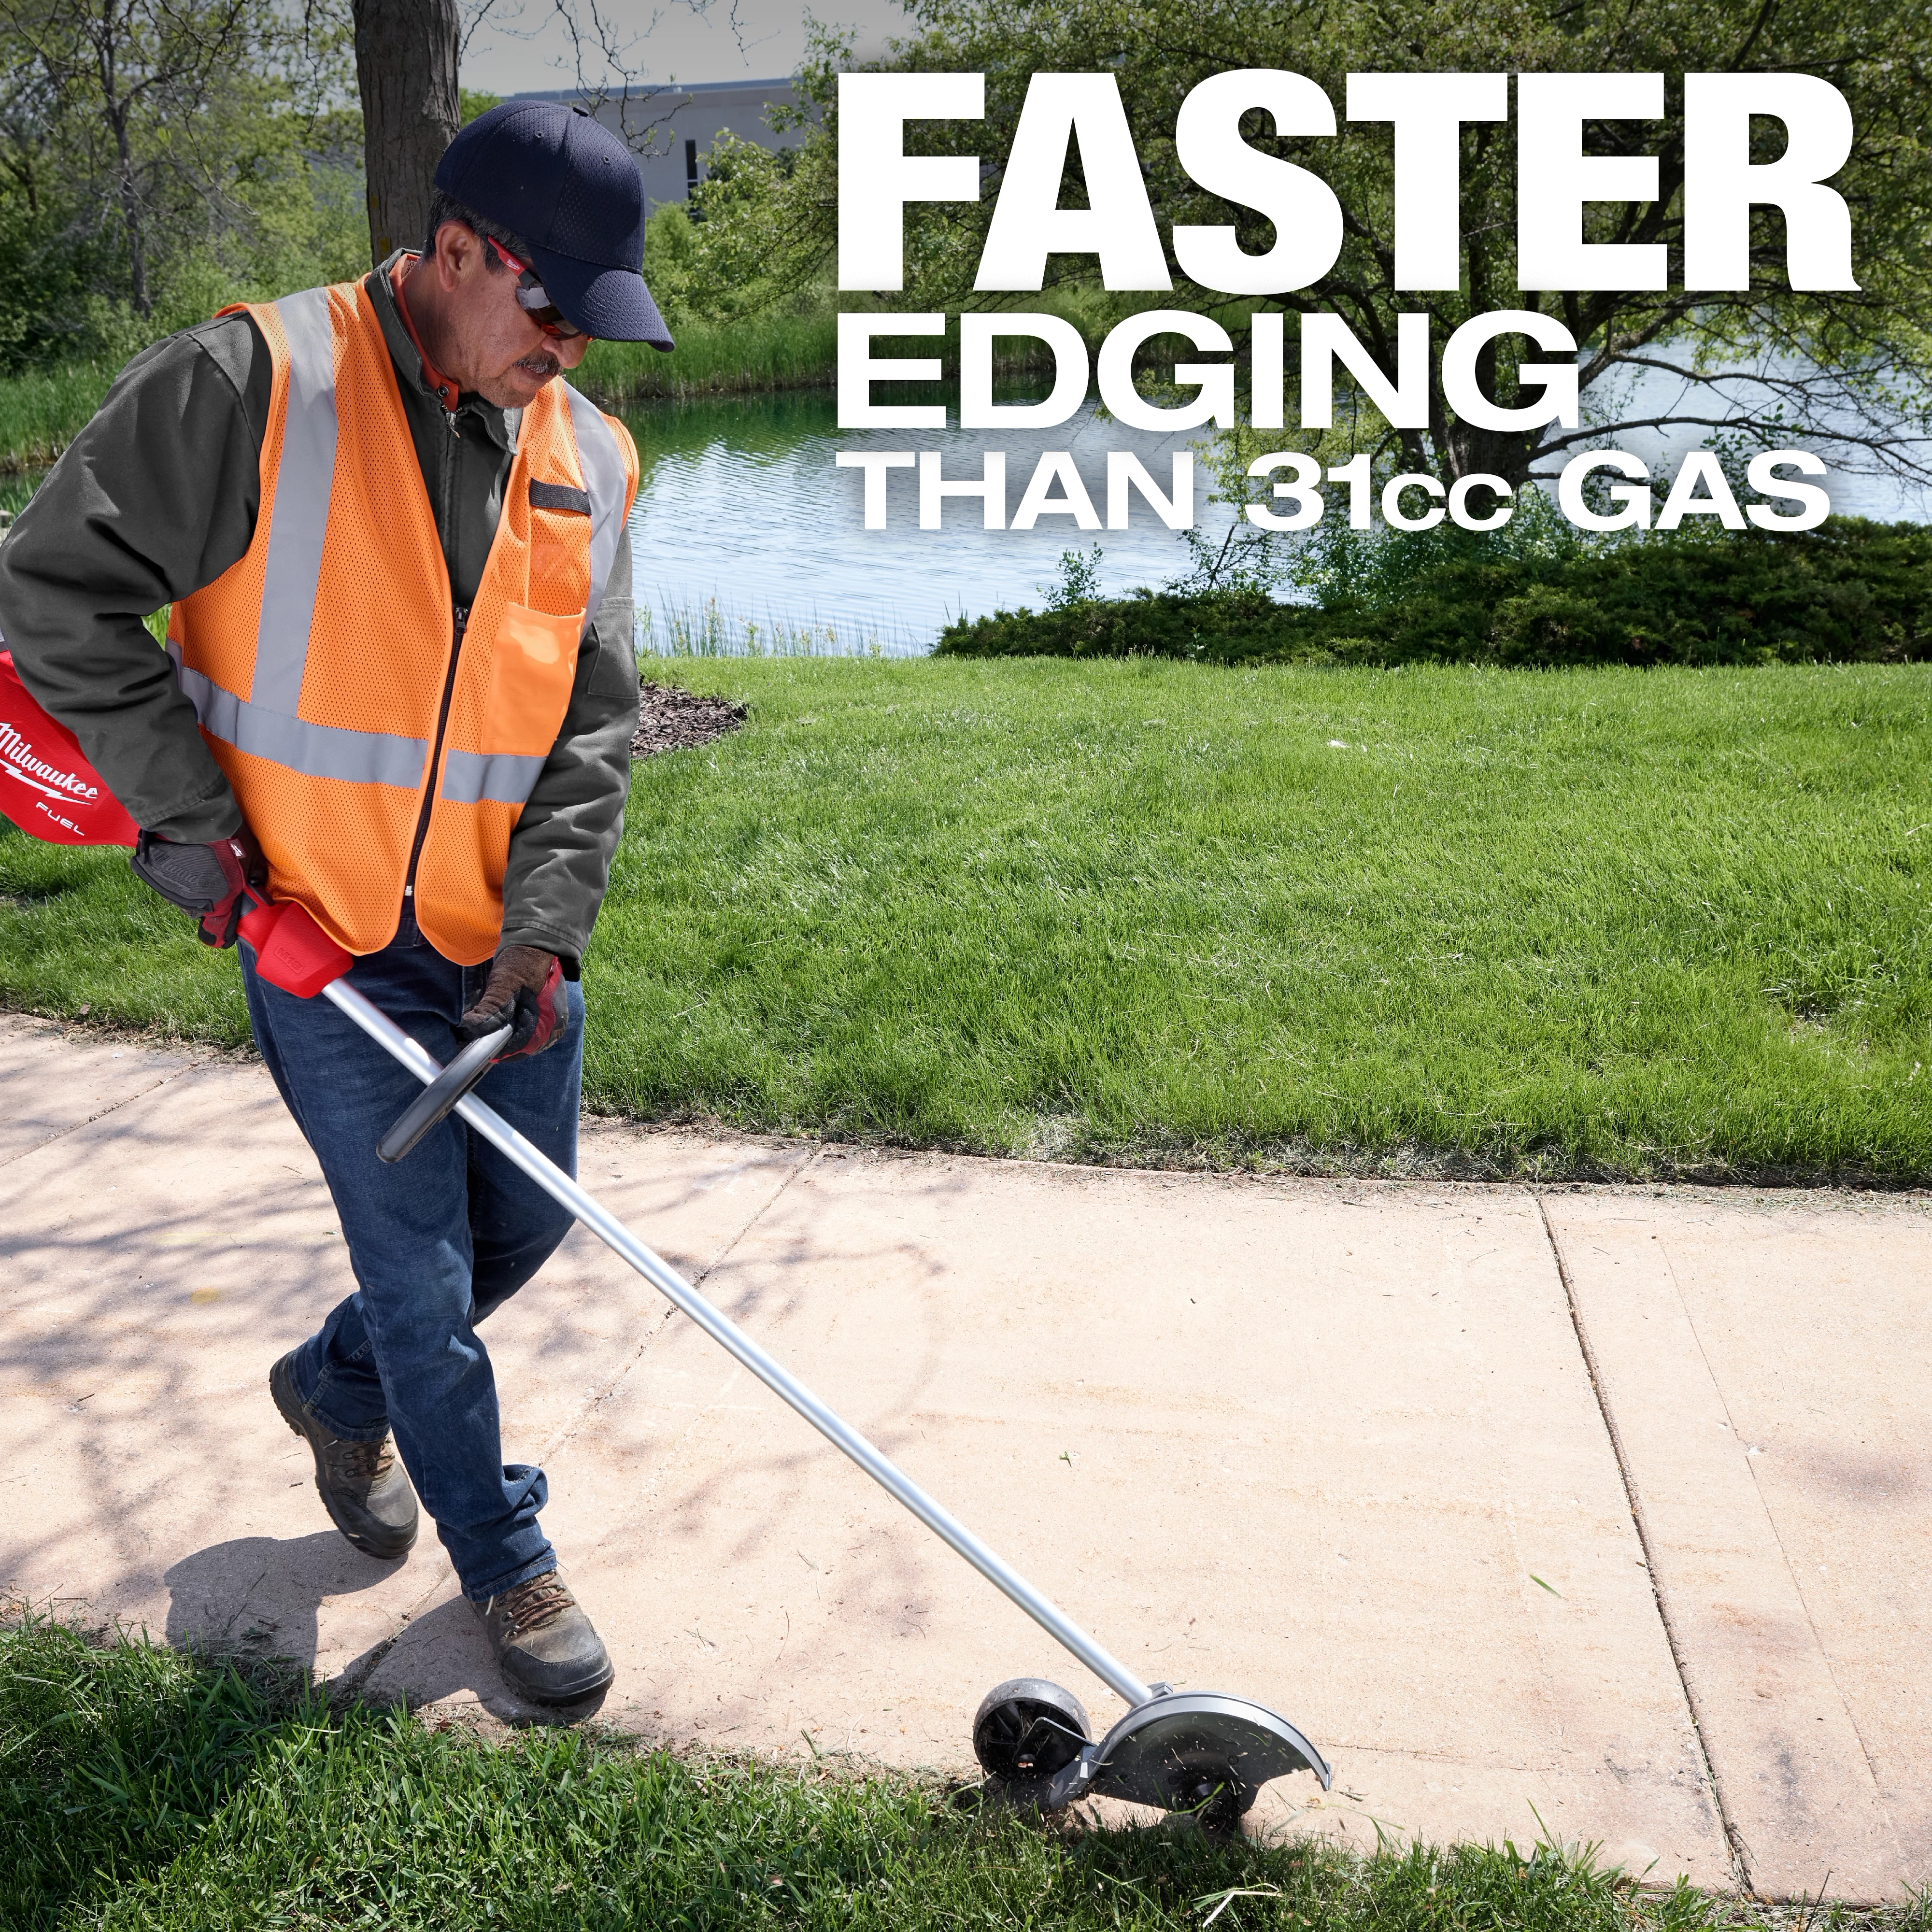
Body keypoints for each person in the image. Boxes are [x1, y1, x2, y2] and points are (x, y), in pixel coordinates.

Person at [0, 101, 673, 1706]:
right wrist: (197, 835)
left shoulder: (592, 458)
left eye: (598, 320)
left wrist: (550, 925)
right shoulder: (253, 386)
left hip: (493, 941)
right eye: (549, 307)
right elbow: (49, 593)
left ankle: (329, 1383)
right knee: (429, 1284)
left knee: (524, 1220)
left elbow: (594, 716)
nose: (571, 349)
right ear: (454, 252)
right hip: (317, 932)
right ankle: (506, 1565)